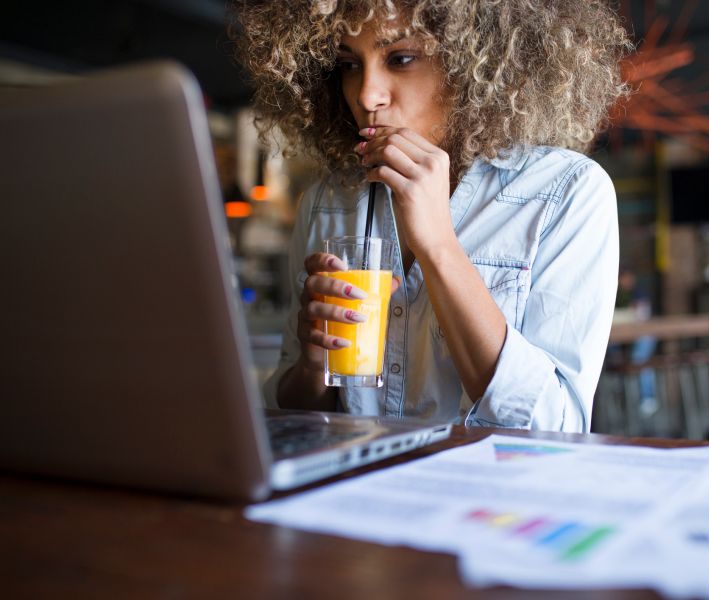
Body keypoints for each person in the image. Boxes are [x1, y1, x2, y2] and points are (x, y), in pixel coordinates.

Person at [233, 0, 631, 432]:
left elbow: (557, 426)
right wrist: (314, 363)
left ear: (475, 60)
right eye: (349, 64)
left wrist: (438, 244)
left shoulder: (566, 192)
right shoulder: (327, 203)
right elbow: (297, 415)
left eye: (401, 59)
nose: (367, 94)